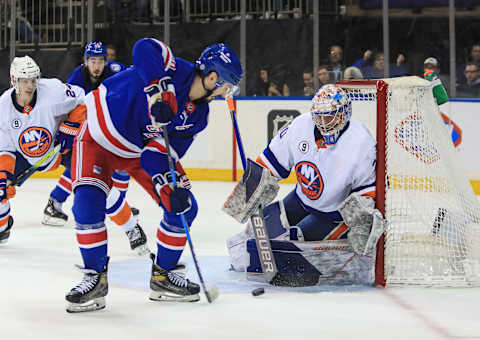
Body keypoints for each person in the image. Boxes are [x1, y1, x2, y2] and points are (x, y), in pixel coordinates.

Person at [65, 39, 243, 312]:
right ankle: (95, 278)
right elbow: (144, 47)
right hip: (98, 135)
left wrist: (165, 184)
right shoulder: (176, 70)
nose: (226, 92)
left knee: (183, 207)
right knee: (88, 204)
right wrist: (160, 90)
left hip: (137, 150)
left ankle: (163, 275)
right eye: (227, 85)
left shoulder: (199, 116)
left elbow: (158, 154)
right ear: (212, 77)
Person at [224, 84, 383, 287]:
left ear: (344, 114)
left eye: (330, 116)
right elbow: (268, 165)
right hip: (301, 199)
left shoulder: (361, 143)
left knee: (292, 244)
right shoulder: (300, 126)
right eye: (320, 116)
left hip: (334, 214)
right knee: (260, 227)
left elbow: (364, 195)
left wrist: (360, 227)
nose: (324, 123)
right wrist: (245, 199)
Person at [42, 41, 148, 255]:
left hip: (110, 127)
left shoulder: (115, 72)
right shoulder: (76, 78)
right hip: (84, 131)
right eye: (92, 61)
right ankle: (55, 202)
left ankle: (119, 206)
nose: (97, 66)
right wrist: (63, 135)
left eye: (100, 61)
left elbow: (135, 83)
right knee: (81, 170)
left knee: (119, 167)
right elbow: (70, 111)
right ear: (85, 62)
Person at [0, 56, 85, 244]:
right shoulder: (3, 107)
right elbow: (5, 149)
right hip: (25, 157)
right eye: (24, 81)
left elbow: (84, 99)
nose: (29, 86)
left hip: (61, 150)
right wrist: (4, 177)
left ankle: (127, 221)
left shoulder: (53, 91)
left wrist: (69, 128)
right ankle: (3, 228)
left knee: (92, 174)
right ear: (14, 80)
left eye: (32, 80)